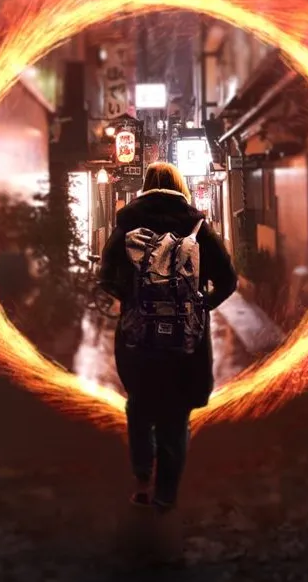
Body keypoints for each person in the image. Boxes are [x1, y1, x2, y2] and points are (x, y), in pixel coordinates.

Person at [99, 161, 237, 511]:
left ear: (146, 185)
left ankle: (142, 478)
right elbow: (228, 280)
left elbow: (106, 276)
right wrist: (202, 306)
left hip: (138, 337)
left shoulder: (128, 222)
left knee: (140, 407)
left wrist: (131, 298)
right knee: (175, 415)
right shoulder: (197, 225)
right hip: (185, 341)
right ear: (179, 186)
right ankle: (165, 496)